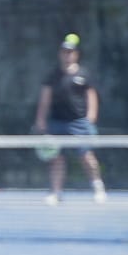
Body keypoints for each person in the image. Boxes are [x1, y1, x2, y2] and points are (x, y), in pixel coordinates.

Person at [34, 32, 107, 204]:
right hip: (57, 123)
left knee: (86, 156)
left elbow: (91, 96)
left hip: (79, 123)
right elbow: (45, 99)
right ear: (60, 54)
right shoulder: (52, 77)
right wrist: (41, 120)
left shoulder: (84, 75)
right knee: (57, 159)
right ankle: (56, 192)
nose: (67, 55)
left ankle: (98, 188)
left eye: (71, 52)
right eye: (64, 52)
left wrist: (91, 117)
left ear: (76, 54)